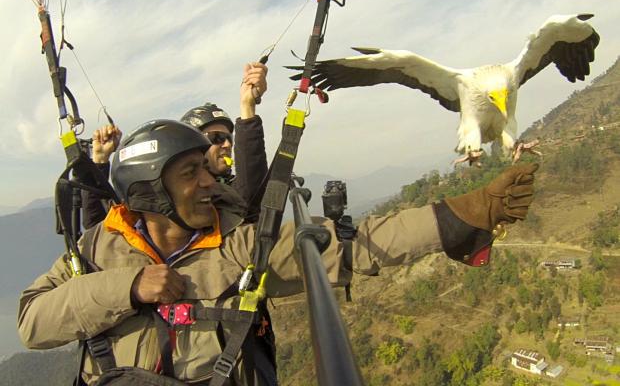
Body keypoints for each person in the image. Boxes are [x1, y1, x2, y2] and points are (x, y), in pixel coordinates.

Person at [18, 119, 538, 385]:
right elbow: (33, 322)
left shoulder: (241, 247)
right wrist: (126, 287)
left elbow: (345, 248)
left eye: (207, 166)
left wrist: (459, 217)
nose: (209, 180)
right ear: (149, 194)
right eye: (190, 173)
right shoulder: (94, 250)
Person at [82, 62, 268, 228]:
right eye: (216, 137)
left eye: (230, 138)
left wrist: (247, 108)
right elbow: (99, 231)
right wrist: (99, 161)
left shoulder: (233, 195)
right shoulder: (161, 196)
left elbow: (248, 194)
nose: (227, 144)